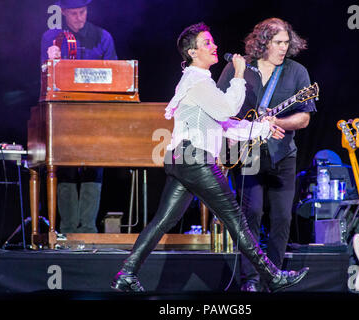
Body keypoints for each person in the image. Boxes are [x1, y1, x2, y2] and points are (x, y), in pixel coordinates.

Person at [111, 22, 308, 293]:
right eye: (207, 43)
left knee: (163, 220)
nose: (214, 46)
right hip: (196, 159)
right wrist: (239, 74)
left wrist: (263, 129)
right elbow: (228, 108)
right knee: (235, 219)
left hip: (184, 159)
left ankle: (126, 274)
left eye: (213, 42)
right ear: (192, 52)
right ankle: (272, 276)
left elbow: (225, 124)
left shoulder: (202, 82)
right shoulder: (196, 81)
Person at [217, 18, 317, 292]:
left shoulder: (297, 72)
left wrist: (278, 123)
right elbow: (219, 108)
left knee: (283, 217)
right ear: (263, 42)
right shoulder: (238, 68)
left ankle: (273, 279)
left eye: (287, 42)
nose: (284, 48)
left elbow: (304, 118)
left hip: (283, 154)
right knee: (252, 212)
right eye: (278, 43)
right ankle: (250, 280)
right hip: (247, 154)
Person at [40, 0, 117, 233]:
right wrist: (49, 61)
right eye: (73, 14)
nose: (79, 18)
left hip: (95, 113)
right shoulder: (51, 37)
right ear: (63, 13)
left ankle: (88, 229)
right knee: (66, 168)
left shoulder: (103, 37)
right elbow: (44, 77)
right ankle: (68, 229)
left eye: (82, 12)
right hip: (64, 113)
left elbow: (115, 75)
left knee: (94, 167)